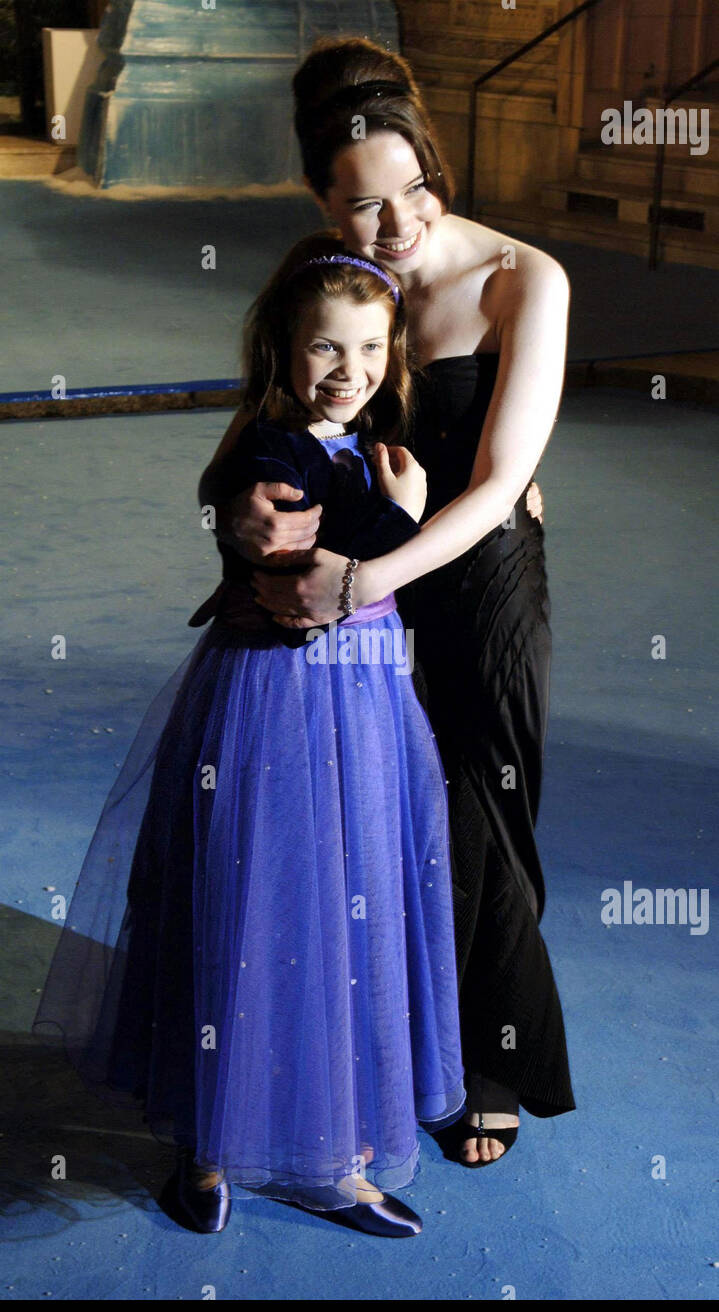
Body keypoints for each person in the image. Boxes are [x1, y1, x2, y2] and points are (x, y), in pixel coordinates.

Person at [32, 233, 467, 1239]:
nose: (347, 372)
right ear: (282, 350)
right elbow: (291, 529)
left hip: (363, 697)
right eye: (324, 349)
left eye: (368, 348)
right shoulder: (274, 450)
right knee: (254, 898)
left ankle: (333, 1151)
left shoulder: (370, 440)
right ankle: (210, 1137)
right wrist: (404, 519)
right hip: (273, 701)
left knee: (348, 909)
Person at [205, 37, 577, 1167]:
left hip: (471, 579)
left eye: (412, 188)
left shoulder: (524, 279)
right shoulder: (325, 279)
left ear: (433, 166)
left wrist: (362, 579)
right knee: (362, 821)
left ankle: (494, 1059)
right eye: (362, 206)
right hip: (354, 587)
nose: (396, 224)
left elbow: (501, 486)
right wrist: (242, 523)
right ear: (321, 200)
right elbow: (259, 440)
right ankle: (361, 1035)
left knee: (480, 813)